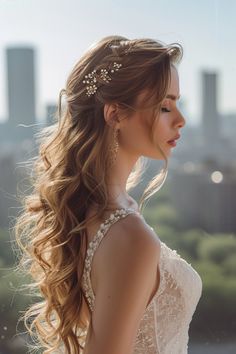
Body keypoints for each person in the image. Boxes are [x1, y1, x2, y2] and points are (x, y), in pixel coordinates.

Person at [15, 35, 202, 354]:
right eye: (165, 106)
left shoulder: (96, 212)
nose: (181, 119)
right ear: (115, 114)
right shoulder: (130, 237)